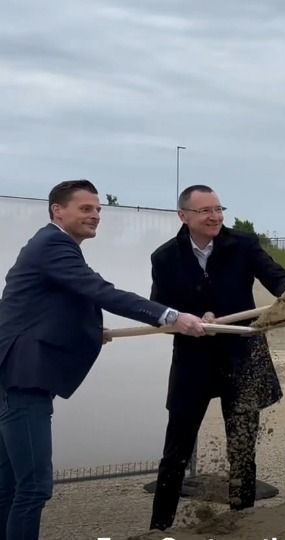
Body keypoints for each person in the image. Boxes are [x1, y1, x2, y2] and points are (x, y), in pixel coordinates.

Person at [0, 180, 204, 540]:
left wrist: (92, 332)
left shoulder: (51, 246)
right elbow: (100, 291)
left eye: (97, 209)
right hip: (22, 381)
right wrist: (172, 316)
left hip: (12, 378)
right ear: (57, 211)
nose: (95, 215)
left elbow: (44, 308)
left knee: (10, 484)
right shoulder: (52, 245)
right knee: (33, 487)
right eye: (85, 208)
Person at [149, 185, 285, 530]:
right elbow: (160, 311)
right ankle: (159, 526)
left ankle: (242, 520)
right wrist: (186, 321)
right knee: (176, 449)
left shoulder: (242, 245)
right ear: (183, 216)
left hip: (240, 357)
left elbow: (274, 275)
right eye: (205, 211)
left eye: (218, 209)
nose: (215, 217)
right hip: (192, 361)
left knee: (242, 446)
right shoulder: (165, 257)